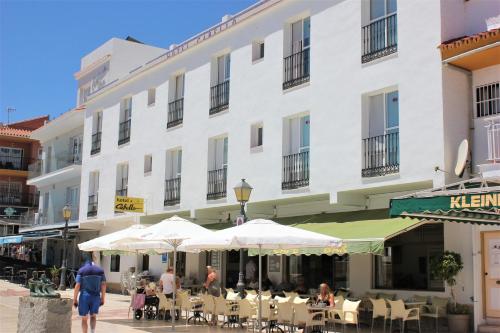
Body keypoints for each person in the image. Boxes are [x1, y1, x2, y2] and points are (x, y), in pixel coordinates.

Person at [73, 253, 106, 333]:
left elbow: (77, 286)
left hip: (84, 297)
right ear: (94, 258)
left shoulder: (81, 270)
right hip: (95, 297)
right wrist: (102, 298)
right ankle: (92, 331)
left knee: (84, 318)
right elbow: (104, 285)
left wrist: (75, 300)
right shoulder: (100, 270)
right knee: (93, 316)